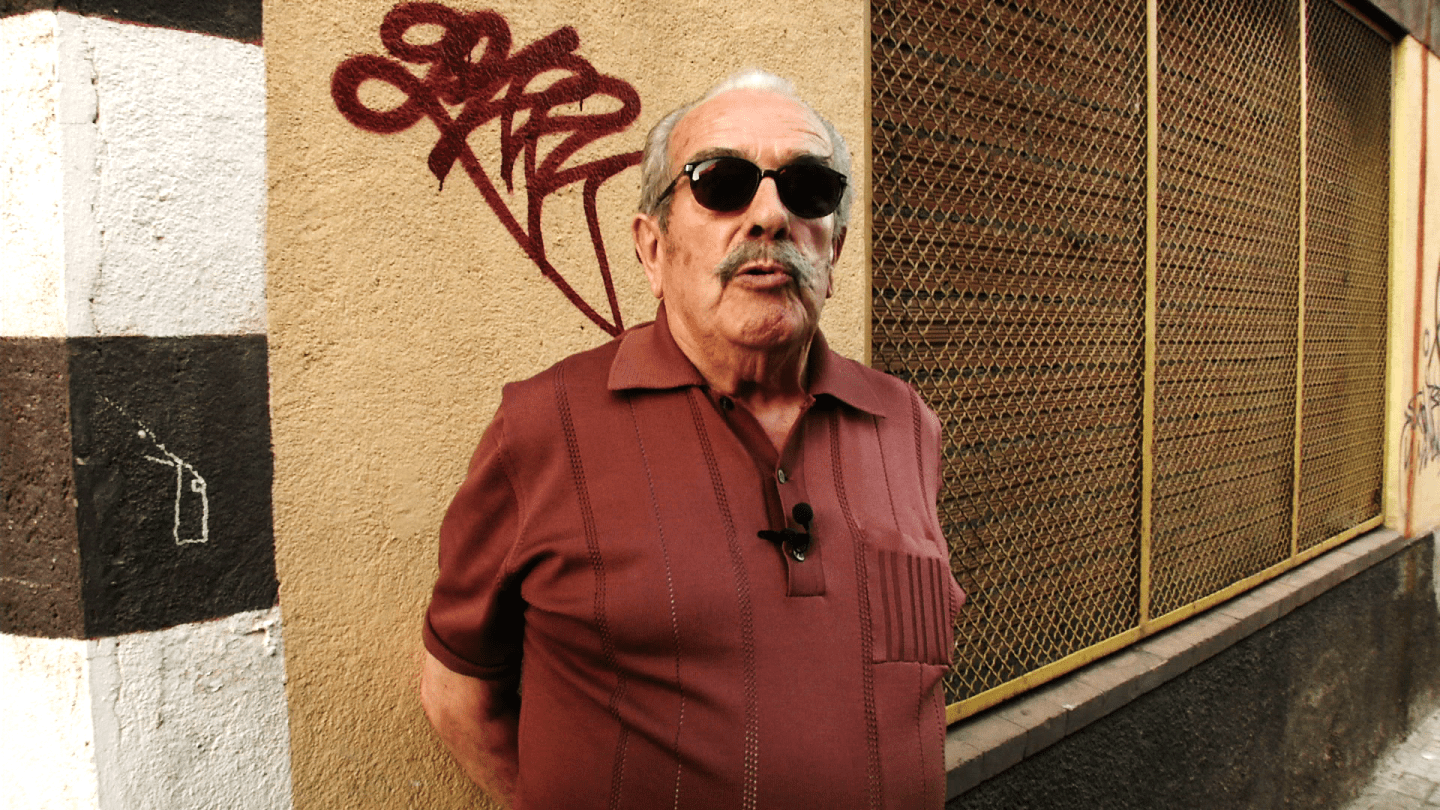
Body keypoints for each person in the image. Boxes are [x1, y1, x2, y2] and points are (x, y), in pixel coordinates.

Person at [420, 68, 965, 809]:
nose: (770, 215)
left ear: (834, 251)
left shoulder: (905, 423)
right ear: (653, 249)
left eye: (808, 188)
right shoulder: (545, 427)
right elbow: (458, 695)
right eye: (721, 183)